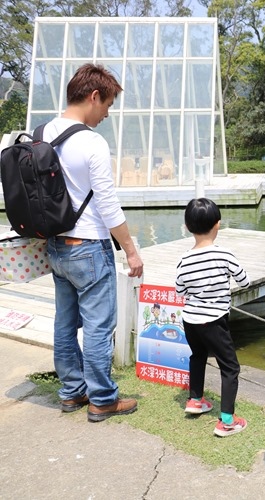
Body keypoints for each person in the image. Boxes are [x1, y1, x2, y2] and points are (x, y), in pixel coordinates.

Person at [45, 63, 144, 423]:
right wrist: (131, 249)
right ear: (93, 96)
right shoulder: (90, 141)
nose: (106, 115)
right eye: (107, 106)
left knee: (64, 324)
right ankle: (102, 398)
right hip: (89, 249)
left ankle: (72, 393)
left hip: (56, 248)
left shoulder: (43, 132)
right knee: (99, 328)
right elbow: (106, 203)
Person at [175, 197, 251, 437]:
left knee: (197, 356)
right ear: (218, 224)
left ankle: (195, 400)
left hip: (191, 320)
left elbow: (180, 290)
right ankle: (227, 420)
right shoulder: (224, 255)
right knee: (230, 367)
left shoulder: (184, 260)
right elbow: (245, 281)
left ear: (187, 227)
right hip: (214, 320)